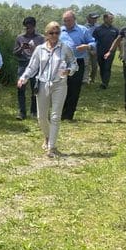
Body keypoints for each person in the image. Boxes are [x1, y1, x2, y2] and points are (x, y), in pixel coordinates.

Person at [17, 21, 76, 158]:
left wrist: (69, 70)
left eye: (57, 33)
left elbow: (74, 64)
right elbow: (32, 67)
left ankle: (52, 147)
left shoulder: (65, 48)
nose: (55, 35)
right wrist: (23, 78)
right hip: (43, 84)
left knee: (55, 116)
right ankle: (48, 137)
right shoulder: (40, 49)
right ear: (46, 34)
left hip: (59, 84)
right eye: (52, 33)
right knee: (41, 117)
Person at [59, 10, 95, 120]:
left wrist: (86, 46)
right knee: (61, 88)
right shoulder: (60, 30)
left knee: (74, 88)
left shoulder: (83, 30)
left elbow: (93, 42)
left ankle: (69, 114)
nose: (66, 23)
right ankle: (60, 112)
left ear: (74, 20)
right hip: (62, 63)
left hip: (77, 62)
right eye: (65, 21)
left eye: (69, 20)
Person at [14, 16, 44, 120]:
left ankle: (34, 111)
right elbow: (15, 53)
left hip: (35, 66)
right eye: (26, 27)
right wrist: (21, 48)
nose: (28, 29)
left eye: (30, 27)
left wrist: (35, 48)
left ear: (34, 27)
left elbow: (44, 53)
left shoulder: (40, 38)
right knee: (20, 88)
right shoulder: (20, 38)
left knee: (35, 89)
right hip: (23, 64)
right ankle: (22, 112)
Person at [91, 12, 119, 89]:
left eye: (112, 18)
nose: (112, 20)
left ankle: (105, 83)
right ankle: (103, 80)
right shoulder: (98, 29)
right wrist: (93, 50)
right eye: (110, 18)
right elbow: (93, 40)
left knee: (107, 67)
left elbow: (119, 41)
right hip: (100, 52)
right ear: (105, 19)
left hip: (110, 52)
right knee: (102, 67)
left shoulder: (115, 30)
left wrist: (121, 51)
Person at [84, 12, 100, 85]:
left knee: (94, 66)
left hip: (95, 48)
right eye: (93, 18)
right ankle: (85, 79)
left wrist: (94, 49)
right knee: (86, 64)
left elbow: (99, 39)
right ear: (88, 18)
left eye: (96, 18)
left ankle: (92, 79)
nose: (95, 19)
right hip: (86, 48)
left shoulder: (98, 27)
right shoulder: (84, 27)